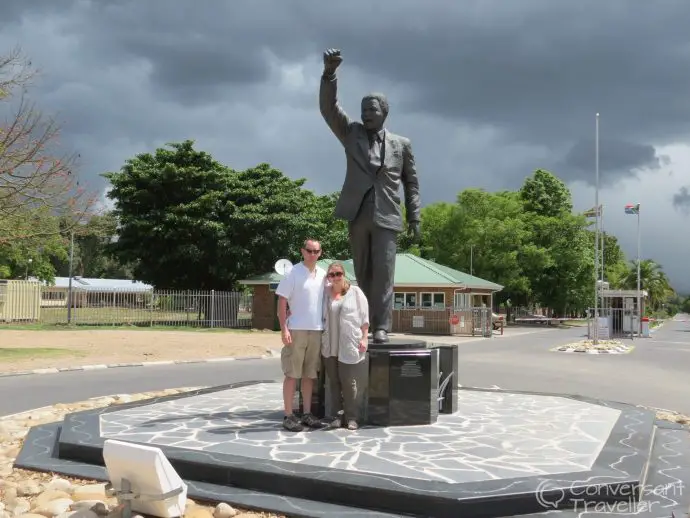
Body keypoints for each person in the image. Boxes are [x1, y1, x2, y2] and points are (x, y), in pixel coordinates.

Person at [319, 48, 421, 344]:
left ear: (384, 112)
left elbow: (412, 183)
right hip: (358, 215)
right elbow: (329, 109)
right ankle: (363, 323)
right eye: (363, 110)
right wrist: (329, 74)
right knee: (362, 275)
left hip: (387, 216)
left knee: (385, 277)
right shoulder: (351, 133)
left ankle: (382, 328)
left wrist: (415, 217)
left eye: (372, 110)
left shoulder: (402, 145)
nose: (366, 114)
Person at [275, 239, 327, 432]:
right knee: (291, 374)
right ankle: (288, 415)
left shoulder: (323, 275)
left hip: (316, 330)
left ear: (320, 253)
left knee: (309, 375)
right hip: (296, 329)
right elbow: (282, 301)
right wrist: (284, 329)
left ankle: (306, 413)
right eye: (309, 251)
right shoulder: (293, 273)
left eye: (316, 251)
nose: (312, 254)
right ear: (302, 251)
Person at [321, 261, 369, 430]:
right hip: (330, 344)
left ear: (344, 274)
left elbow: (364, 319)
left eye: (338, 274)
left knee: (348, 382)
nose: (335, 277)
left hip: (348, 343)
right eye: (331, 275)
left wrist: (364, 338)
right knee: (333, 382)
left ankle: (352, 417)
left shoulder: (355, 292)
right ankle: (336, 416)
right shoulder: (325, 293)